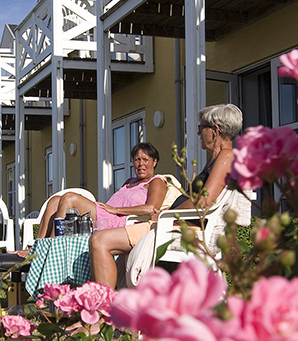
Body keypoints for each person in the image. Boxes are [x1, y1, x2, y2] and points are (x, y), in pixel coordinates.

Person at [89, 103, 242, 286]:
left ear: (215, 130)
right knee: (103, 238)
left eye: (201, 128)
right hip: (172, 222)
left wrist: (165, 214)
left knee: (99, 240)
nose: (199, 133)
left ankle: (102, 310)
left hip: (174, 226)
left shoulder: (226, 156)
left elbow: (204, 201)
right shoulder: (216, 160)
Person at [16, 142, 168, 256]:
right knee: (55, 200)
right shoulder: (129, 181)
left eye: (145, 159)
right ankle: (36, 247)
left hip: (118, 221)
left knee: (69, 198)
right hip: (106, 214)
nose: (141, 164)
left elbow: (151, 208)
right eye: (137, 159)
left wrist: (116, 210)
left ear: (154, 162)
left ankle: (48, 251)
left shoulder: (156, 181)